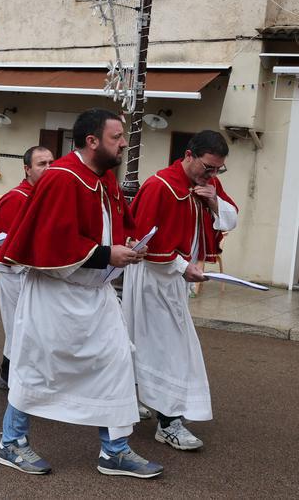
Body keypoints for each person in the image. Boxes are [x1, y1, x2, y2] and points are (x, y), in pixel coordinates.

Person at [0, 108, 161, 479]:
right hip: (55, 294)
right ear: (92, 141)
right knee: (37, 370)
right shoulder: (61, 177)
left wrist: (131, 245)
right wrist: (107, 254)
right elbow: (50, 242)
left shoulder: (104, 179)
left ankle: (114, 451)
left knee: (116, 363)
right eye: (117, 137)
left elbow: (114, 227)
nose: (124, 144)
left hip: (95, 294)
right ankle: (11, 443)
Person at [124, 130, 238, 451]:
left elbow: (230, 219)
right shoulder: (159, 186)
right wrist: (181, 265)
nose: (212, 175)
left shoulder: (207, 184)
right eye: (208, 167)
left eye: (218, 169)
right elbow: (143, 239)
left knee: (156, 345)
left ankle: (139, 399)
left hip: (174, 278)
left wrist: (213, 200)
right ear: (189, 155)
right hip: (151, 277)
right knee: (170, 349)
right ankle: (169, 422)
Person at [0, 145, 54, 389]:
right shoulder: (16, 198)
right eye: (42, 164)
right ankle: (18, 382)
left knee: (30, 328)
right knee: (21, 328)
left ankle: (9, 375)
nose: (48, 168)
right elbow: (3, 246)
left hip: (38, 273)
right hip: (16, 275)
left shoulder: (46, 196)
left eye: (51, 163)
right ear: (27, 169)